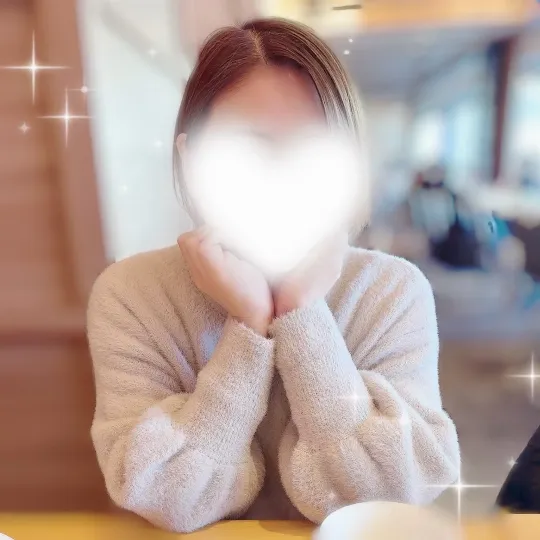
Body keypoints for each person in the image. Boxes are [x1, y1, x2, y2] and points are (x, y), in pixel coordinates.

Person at [87, 17, 460, 534]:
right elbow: (166, 498)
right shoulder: (131, 294)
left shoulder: (390, 291)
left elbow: (392, 497)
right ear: (192, 161)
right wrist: (248, 327)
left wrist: (302, 315)